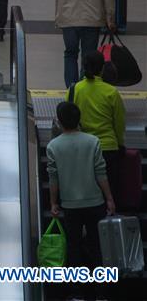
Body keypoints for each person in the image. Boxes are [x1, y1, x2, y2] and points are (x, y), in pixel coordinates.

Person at [47, 101, 115, 276]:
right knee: (97, 245)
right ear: (79, 119)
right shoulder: (93, 141)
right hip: (95, 202)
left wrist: (53, 203)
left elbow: (53, 178)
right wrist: (109, 198)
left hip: (70, 205)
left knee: (74, 246)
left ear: (59, 121)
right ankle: (100, 286)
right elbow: (101, 173)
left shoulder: (53, 146)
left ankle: (77, 286)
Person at [67, 51, 126, 207]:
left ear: (84, 67)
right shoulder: (111, 92)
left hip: (82, 148)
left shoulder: (75, 90)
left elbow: (68, 118)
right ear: (102, 69)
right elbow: (119, 122)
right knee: (109, 191)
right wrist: (120, 143)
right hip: (108, 148)